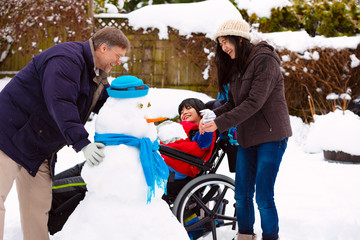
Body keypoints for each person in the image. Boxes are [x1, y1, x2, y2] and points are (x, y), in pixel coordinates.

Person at [0, 26, 130, 240]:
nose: (118, 62)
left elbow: (105, 104)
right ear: (104, 48)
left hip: (39, 148)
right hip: (9, 135)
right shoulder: (66, 59)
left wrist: (131, 114)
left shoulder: (96, 73)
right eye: (118, 56)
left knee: (38, 209)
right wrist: (83, 143)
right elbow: (61, 104)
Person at [200, 19, 292, 240]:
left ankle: (271, 236)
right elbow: (232, 103)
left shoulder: (264, 60)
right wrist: (213, 114)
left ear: (239, 39)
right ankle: (245, 236)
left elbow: (254, 102)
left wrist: (220, 124)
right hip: (248, 137)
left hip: (272, 137)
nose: (223, 48)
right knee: (241, 195)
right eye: (220, 43)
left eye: (225, 42)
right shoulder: (237, 66)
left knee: (263, 196)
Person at [160, 98, 216, 180]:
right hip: (169, 159)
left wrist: (207, 124)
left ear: (201, 112)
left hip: (178, 166)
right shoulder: (181, 128)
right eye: (181, 112)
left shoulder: (199, 130)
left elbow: (203, 143)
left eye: (188, 108)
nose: (184, 113)